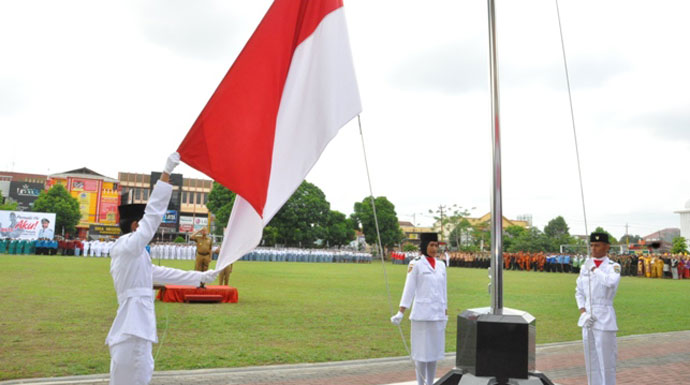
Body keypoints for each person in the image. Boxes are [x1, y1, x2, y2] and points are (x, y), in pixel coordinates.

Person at [106, 153, 219, 385]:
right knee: (134, 377)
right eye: (144, 225)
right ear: (135, 226)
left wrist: (202, 277)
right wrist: (166, 175)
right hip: (132, 328)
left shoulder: (135, 255)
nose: (151, 232)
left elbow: (166, 274)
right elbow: (153, 217)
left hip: (138, 327)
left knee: (140, 373)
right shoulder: (127, 246)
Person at [390, 233, 447, 385]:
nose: (434, 248)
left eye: (436, 245)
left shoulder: (441, 265)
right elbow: (409, 289)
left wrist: (445, 312)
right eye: (431, 245)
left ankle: (430, 383)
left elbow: (444, 290)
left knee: (434, 353)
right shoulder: (415, 264)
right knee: (421, 354)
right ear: (424, 246)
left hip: (437, 315)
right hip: (421, 315)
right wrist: (401, 312)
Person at [575, 232, 621, 385]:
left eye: (597, 245)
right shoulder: (584, 267)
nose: (593, 248)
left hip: (605, 315)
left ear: (607, 247)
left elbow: (610, 282)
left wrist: (594, 269)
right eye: (592, 245)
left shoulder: (613, 266)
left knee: (606, 361)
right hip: (588, 318)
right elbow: (579, 292)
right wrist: (583, 312)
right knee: (591, 360)